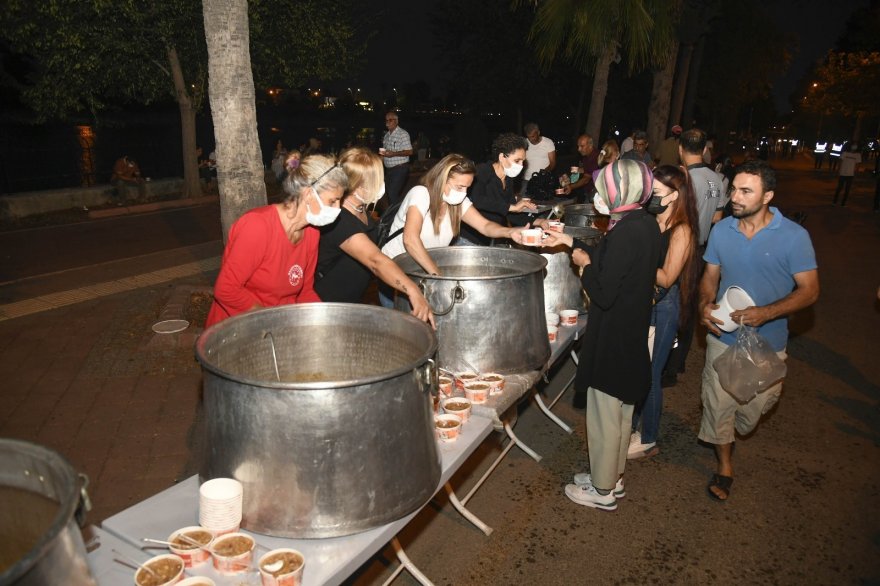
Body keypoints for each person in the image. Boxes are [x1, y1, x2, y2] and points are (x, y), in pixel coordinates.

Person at [540, 159, 660, 511]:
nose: (596, 194)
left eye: (602, 187)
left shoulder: (626, 232)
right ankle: (612, 475)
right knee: (621, 413)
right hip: (630, 330)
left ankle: (603, 490)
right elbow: (617, 266)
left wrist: (584, 265)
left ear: (620, 190)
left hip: (613, 334)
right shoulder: (643, 223)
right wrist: (569, 240)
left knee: (605, 414)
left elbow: (604, 290)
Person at [699, 159, 819, 500]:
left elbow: (810, 291)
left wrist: (767, 313)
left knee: (753, 410)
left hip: (769, 342)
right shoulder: (723, 229)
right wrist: (704, 305)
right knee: (718, 403)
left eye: (745, 191)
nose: (734, 196)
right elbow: (709, 277)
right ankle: (724, 465)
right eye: (733, 188)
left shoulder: (795, 237)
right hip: (723, 336)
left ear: (767, 196)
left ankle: (738, 427)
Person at [204, 155, 349, 328]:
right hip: (238, 329)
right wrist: (271, 321)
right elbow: (226, 289)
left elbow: (305, 291)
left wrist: (324, 320)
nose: (338, 208)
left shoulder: (311, 232)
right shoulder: (257, 227)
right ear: (309, 193)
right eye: (332, 201)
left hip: (279, 327)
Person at [379, 154, 528, 299]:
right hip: (395, 272)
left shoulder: (458, 203)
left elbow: (485, 225)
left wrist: (510, 232)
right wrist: (438, 276)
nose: (463, 193)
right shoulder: (421, 194)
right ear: (442, 179)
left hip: (422, 272)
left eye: (467, 188)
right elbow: (410, 240)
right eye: (459, 187)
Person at [315, 147, 434, 327]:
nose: (381, 185)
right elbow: (374, 260)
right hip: (327, 306)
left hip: (350, 303)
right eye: (375, 181)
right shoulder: (339, 218)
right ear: (356, 185)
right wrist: (412, 289)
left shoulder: (361, 209)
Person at [628, 165, 700, 460]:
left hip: (664, 308)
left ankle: (648, 438)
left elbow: (668, 277)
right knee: (636, 371)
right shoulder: (650, 220)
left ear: (674, 195)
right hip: (644, 303)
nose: (650, 198)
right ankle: (631, 427)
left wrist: (633, 261)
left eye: (656, 193)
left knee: (651, 374)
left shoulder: (682, 230)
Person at [661, 128, 728, 387]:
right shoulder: (717, 178)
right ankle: (678, 362)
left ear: (680, 148)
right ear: (705, 149)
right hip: (702, 250)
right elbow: (717, 217)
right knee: (689, 305)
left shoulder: (684, 178)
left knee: (670, 303)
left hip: (679, 247)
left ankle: (665, 365)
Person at [459, 133, 541, 245]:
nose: (521, 166)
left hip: (490, 238)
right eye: (517, 161)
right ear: (502, 157)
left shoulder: (508, 179)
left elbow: (511, 214)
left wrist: (540, 222)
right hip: (468, 239)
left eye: (523, 161)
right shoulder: (482, 171)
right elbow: (477, 200)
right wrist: (511, 207)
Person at [381, 111, 413, 207]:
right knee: (389, 193)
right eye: (386, 120)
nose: (387, 122)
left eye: (390, 120)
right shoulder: (386, 135)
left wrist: (394, 154)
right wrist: (378, 162)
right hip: (389, 170)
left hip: (400, 168)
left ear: (396, 121)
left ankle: (397, 215)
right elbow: (384, 152)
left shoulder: (402, 134)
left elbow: (410, 151)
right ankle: (393, 214)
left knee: (392, 193)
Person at [522, 122, 556, 193]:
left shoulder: (548, 142)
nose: (531, 140)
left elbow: (553, 162)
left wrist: (543, 174)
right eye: (529, 137)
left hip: (543, 180)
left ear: (538, 132)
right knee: (524, 201)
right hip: (526, 180)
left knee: (542, 202)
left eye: (533, 136)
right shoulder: (524, 143)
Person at [567, 134, 601, 203]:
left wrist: (571, 187)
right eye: (578, 146)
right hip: (589, 191)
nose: (579, 149)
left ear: (590, 145)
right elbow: (589, 170)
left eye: (582, 146)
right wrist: (577, 170)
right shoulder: (586, 155)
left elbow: (586, 179)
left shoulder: (596, 157)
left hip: (597, 194)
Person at [833, 142, 862, 206]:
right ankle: (834, 201)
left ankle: (843, 203)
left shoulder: (857, 155)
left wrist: (856, 173)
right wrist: (838, 170)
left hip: (850, 174)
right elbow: (840, 162)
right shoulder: (845, 153)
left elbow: (858, 165)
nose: (854, 147)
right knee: (840, 188)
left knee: (847, 189)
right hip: (843, 173)